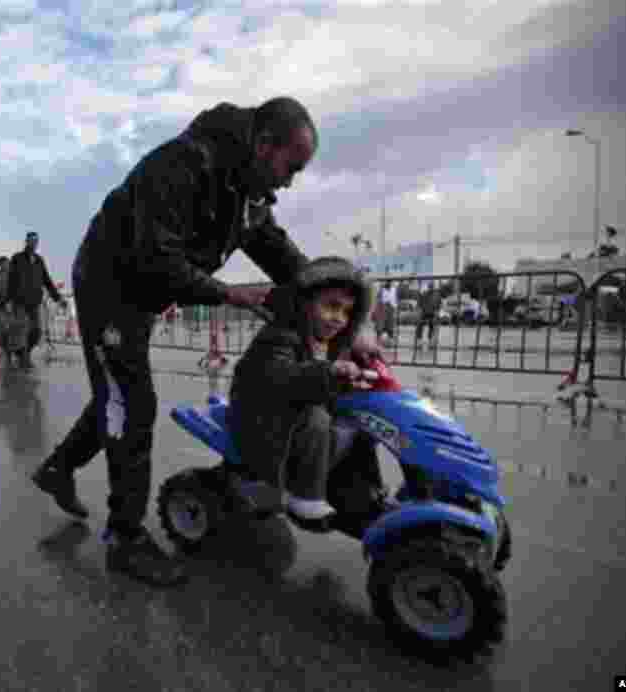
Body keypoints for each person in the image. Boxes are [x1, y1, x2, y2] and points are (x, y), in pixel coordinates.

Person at [30, 97, 380, 587]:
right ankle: (124, 537)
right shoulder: (182, 166)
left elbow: (285, 259)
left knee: (118, 392)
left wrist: (349, 323)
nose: (290, 180)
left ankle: (58, 468)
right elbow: (155, 258)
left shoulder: (247, 194)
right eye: (291, 167)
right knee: (132, 403)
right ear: (263, 145)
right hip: (110, 285)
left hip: (146, 294)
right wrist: (227, 294)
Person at [228, 256, 387, 530]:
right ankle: (305, 496)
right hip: (262, 413)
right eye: (331, 306)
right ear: (304, 303)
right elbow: (284, 378)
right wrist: (330, 373)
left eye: (347, 312)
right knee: (317, 418)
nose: (339, 318)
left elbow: (334, 372)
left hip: (293, 407)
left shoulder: (328, 341)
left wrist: (360, 365)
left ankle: (364, 491)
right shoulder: (280, 337)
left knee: (360, 421)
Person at [5, 232, 67, 368]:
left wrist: (58, 298)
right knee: (21, 330)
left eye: (36, 241)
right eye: (31, 241)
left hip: (34, 302)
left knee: (37, 331)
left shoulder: (39, 260)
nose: (33, 243)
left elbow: (47, 280)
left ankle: (23, 352)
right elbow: (11, 280)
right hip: (19, 301)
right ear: (26, 242)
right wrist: (8, 300)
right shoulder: (17, 258)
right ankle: (24, 357)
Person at [415, 283, 440, 350]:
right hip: (425, 312)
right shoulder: (425, 294)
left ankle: (431, 342)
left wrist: (437, 312)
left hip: (431, 313)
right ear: (428, 287)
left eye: (432, 287)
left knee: (431, 327)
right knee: (420, 326)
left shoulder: (436, 295)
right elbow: (420, 302)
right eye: (430, 287)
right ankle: (419, 341)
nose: (431, 288)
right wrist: (419, 310)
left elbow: (438, 304)